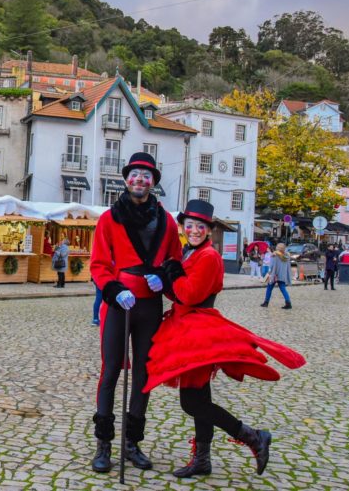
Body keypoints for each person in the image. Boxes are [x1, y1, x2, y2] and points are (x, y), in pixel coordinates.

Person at [145, 199, 305, 478]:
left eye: (200, 227)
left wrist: (172, 277)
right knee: (199, 397)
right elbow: (178, 294)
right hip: (186, 326)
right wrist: (167, 281)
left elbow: (191, 294)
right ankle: (203, 460)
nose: (194, 230)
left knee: (191, 402)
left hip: (199, 331)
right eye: (190, 225)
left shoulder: (208, 257)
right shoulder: (190, 253)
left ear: (209, 229)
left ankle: (252, 436)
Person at [89, 152, 183, 473]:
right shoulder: (109, 218)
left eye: (146, 175)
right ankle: (104, 444)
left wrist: (165, 277)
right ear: (126, 179)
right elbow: (99, 264)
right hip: (120, 304)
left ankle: (131, 443)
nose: (140, 180)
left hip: (150, 305)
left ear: (153, 181)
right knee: (111, 371)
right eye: (135, 175)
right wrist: (115, 290)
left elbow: (175, 261)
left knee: (143, 375)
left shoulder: (167, 220)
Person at [261, 242, 292, 309]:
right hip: (282, 275)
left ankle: (266, 302)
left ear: (278, 248)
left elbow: (272, 266)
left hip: (274, 275)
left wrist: (269, 272)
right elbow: (288, 266)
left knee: (269, 288)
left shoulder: (275, 255)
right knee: (283, 289)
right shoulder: (287, 256)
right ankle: (288, 303)